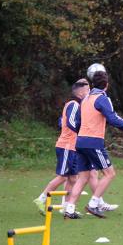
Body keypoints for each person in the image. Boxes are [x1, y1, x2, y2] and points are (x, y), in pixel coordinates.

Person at [63, 71, 123, 219]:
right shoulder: (103, 99)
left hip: (80, 141)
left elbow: (77, 122)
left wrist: (82, 134)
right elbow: (113, 118)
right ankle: (93, 204)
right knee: (110, 173)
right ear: (106, 85)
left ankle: (69, 208)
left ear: (92, 84)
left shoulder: (85, 99)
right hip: (93, 142)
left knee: (83, 176)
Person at [34, 80, 90, 214]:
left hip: (73, 147)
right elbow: (71, 123)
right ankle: (41, 199)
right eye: (88, 90)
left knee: (73, 178)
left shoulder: (78, 105)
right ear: (81, 92)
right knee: (63, 177)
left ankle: (66, 207)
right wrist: (82, 130)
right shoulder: (74, 104)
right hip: (66, 146)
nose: (89, 93)